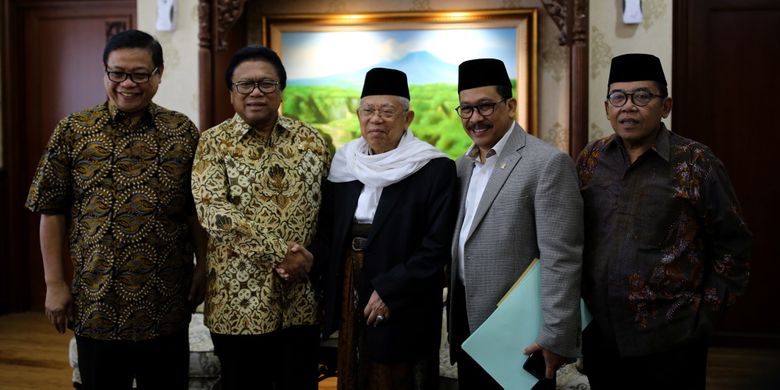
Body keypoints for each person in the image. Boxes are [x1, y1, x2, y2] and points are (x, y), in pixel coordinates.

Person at [25, 29, 206, 390]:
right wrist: (54, 283)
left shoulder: (182, 131)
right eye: (117, 73)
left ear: (158, 74)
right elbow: (50, 209)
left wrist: (204, 266)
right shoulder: (75, 130)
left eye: (140, 74)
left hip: (166, 301)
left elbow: (195, 210)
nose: (128, 83)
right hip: (97, 301)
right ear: (104, 72)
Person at [576, 53, 752, 389]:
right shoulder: (591, 158)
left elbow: (734, 243)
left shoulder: (696, 162)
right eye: (618, 97)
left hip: (672, 338)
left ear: (666, 106)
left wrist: (704, 317)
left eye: (642, 96)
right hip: (601, 333)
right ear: (607, 107)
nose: (628, 107)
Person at [190, 45, 330, 390]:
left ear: (281, 90)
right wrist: (280, 253)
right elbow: (214, 212)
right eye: (245, 85)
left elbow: (332, 210)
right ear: (231, 94)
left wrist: (312, 260)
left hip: (301, 299)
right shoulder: (213, 143)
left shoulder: (313, 141)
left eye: (266, 84)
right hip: (238, 302)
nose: (256, 92)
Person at [311, 67, 457, 390]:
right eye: (368, 110)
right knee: (353, 372)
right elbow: (328, 233)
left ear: (408, 118)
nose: (375, 119)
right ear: (359, 115)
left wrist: (392, 289)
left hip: (405, 295)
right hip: (352, 282)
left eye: (387, 111)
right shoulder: (345, 163)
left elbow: (436, 246)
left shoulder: (433, 168)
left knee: (398, 376)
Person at [448, 58, 584, 388]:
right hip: (468, 327)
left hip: (521, 334)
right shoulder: (460, 167)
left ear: (510, 105)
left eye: (485, 106)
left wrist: (555, 334)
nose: (475, 118)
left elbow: (561, 258)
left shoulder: (546, 164)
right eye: (466, 109)